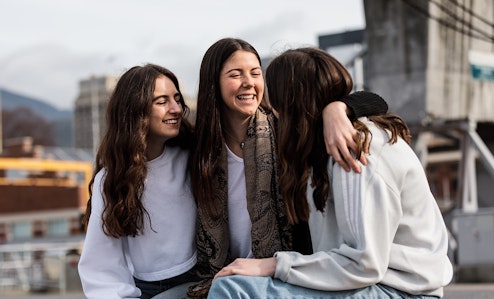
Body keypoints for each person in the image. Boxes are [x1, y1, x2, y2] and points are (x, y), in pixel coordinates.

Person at [207, 47, 454, 298]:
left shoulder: (354, 148)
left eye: (277, 98)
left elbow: (364, 263)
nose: (274, 109)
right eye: (235, 74)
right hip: (357, 279)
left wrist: (274, 264)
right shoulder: (308, 148)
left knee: (231, 289)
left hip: (399, 289)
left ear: (291, 102)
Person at [184, 38, 389, 298]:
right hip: (220, 277)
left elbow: (377, 101)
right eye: (235, 75)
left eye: (255, 73)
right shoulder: (198, 147)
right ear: (213, 83)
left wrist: (338, 109)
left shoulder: (287, 131)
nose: (249, 82)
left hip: (286, 273)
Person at [78, 64, 199, 299]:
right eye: (162, 101)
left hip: (203, 280)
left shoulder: (194, 158)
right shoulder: (111, 179)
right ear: (135, 109)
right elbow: (101, 267)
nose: (176, 109)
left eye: (176, 99)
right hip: (147, 290)